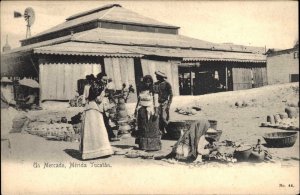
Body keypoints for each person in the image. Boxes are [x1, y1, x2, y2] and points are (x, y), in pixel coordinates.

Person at [79, 73, 113, 160]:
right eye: (104, 80)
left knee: (90, 130)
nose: (105, 81)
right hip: (95, 108)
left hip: (89, 107)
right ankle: (100, 151)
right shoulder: (99, 87)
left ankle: (90, 152)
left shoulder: (91, 86)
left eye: (106, 80)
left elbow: (86, 99)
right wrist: (104, 94)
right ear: (99, 79)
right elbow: (98, 99)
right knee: (98, 129)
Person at [134, 75, 161, 151]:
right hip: (141, 109)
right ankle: (143, 145)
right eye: (146, 82)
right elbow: (139, 100)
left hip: (150, 109)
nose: (147, 84)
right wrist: (135, 110)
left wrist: (156, 111)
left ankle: (153, 146)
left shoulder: (153, 90)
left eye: (149, 82)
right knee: (142, 127)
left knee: (151, 128)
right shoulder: (141, 90)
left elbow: (156, 102)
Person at [153, 71, 173, 135]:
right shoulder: (155, 84)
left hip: (165, 102)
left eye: (157, 76)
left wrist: (169, 104)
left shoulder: (167, 84)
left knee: (163, 117)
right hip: (157, 103)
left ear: (161, 77)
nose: (156, 77)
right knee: (158, 117)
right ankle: (161, 131)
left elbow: (171, 95)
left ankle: (170, 130)